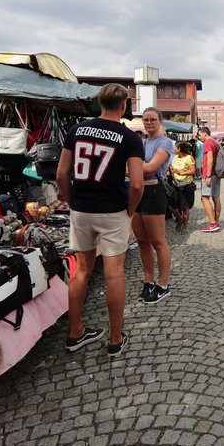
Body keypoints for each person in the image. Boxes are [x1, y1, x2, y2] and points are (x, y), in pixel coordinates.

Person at [57, 83, 144, 357]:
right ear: (124, 106)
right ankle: (115, 339)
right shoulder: (129, 138)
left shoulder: (76, 131)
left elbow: (61, 174)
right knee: (114, 274)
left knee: (81, 271)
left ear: (98, 103)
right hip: (112, 210)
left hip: (82, 209)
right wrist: (130, 211)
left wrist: (72, 202)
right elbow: (138, 185)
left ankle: (75, 332)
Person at [131, 107, 175, 305]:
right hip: (137, 192)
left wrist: (130, 169)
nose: (149, 123)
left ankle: (163, 285)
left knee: (158, 242)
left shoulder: (165, 142)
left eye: (152, 120)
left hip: (154, 193)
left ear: (160, 120)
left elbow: (150, 168)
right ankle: (148, 281)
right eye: (146, 120)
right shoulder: (141, 142)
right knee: (142, 241)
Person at [197, 127, 222, 232]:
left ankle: (212, 223)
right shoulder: (216, 142)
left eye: (199, 134)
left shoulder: (207, 142)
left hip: (210, 173)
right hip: (216, 173)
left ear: (205, 133)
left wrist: (207, 175)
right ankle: (216, 222)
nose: (199, 137)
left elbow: (210, 158)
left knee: (204, 198)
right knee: (216, 197)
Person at [169, 141, 196, 232]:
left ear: (179, 148)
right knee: (172, 205)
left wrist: (182, 172)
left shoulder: (189, 158)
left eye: (175, 147)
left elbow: (193, 171)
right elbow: (172, 168)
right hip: (175, 184)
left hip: (186, 186)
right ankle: (179, 219)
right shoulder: (175, 157)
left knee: (185, 207)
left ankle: (183, 225)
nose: (174, 149)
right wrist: (172, 171)